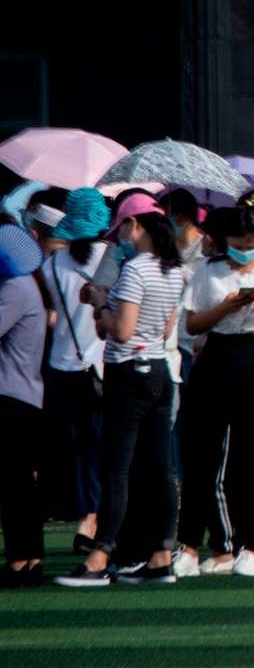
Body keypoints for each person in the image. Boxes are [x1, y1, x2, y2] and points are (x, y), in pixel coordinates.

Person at [61, 209, 186, 587]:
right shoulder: (173, 270)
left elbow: (120, 331)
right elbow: (164, 327)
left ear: (138, 228)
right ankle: (161, 555)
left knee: (117, 467)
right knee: (160, 467)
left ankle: (100, 556)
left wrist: (100, 302)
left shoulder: (135, 270)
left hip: (129, 372)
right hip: (160, 370)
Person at [176, 205, 254, 578]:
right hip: (215, 357)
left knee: (252, 462)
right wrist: (226, 307)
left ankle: (253, 545)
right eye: (242, 244)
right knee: (201, 458)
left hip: (253, 357)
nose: (248, 250)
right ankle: (190, 545)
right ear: (227, 240)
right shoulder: (208, 271)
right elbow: (193, 323)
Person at [33, 188, 108, 557]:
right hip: (104, 366)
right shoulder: (113, 258)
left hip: (63, 365)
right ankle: (97, 518)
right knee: (106, 447)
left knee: (79, 449)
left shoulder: (49, 266)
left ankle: (87, 514)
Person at [0, 231, 45, 586]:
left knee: (14, 484)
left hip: (11, 396)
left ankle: (21, 558)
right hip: (24, 395)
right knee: (21, 483)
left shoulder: (15, 289)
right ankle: (28, 556)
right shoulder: (26, 284)